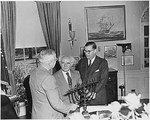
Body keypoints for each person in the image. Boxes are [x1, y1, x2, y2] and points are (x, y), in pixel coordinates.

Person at [29, 49, 78, 119]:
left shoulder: (34, 73)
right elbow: (56, 104)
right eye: (55, 59)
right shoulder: (48, 78)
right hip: (50, 116)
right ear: (51, 63)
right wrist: (70, 107)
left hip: (37, 115)